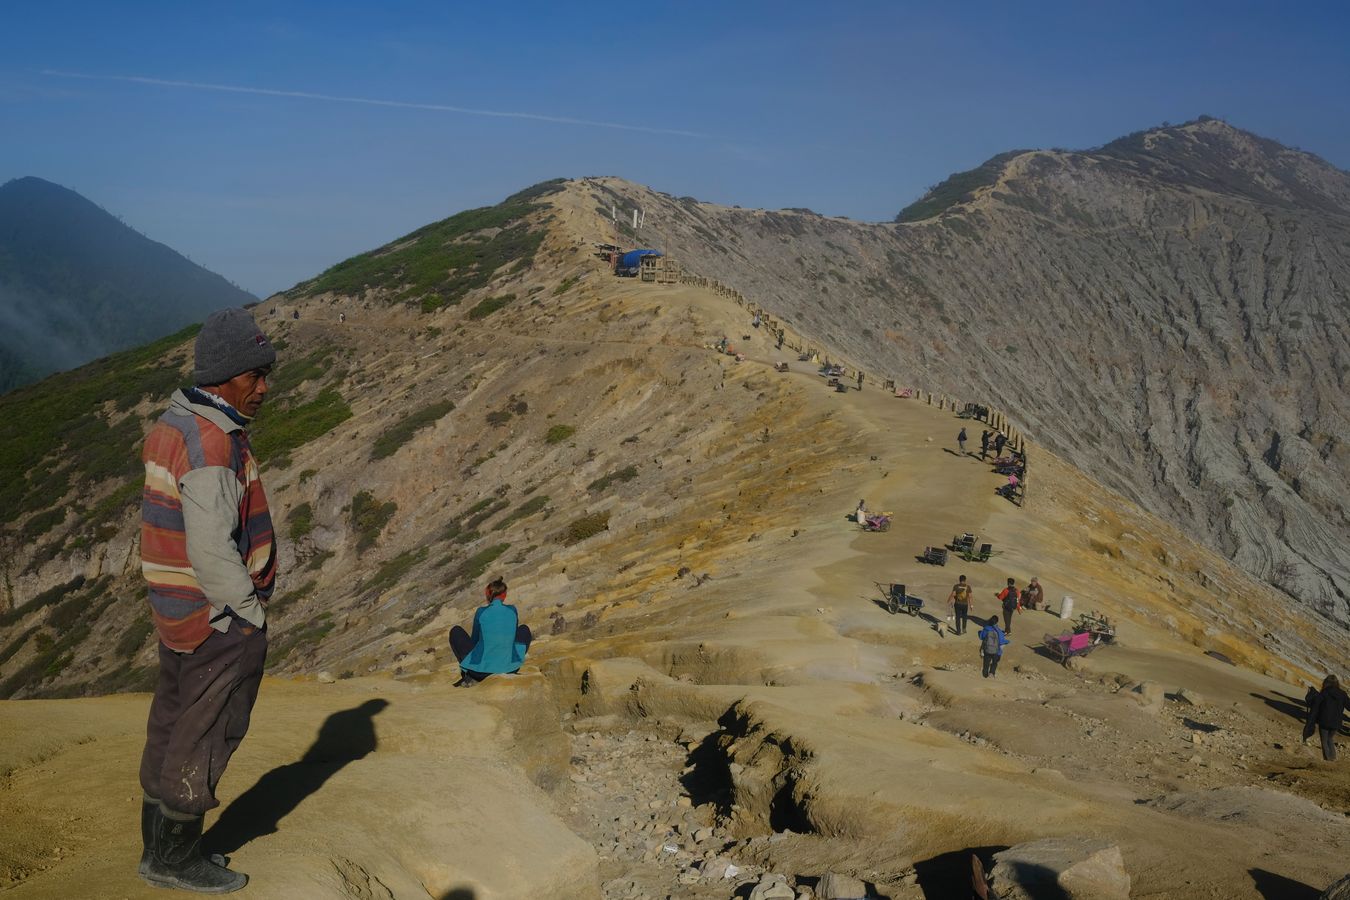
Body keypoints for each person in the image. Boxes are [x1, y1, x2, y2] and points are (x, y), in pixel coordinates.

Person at [138, 307, 279, 892]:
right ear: (223, 377)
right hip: (214, 617)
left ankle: (157, 850)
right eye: (254, 376)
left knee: (172, 723)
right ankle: (175, 861)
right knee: (210, 729)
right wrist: (248, 613)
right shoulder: (213, 441)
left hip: (176, 612)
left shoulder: (173, 422)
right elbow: (211, 547)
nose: (264, 388)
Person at [449, 578, 533, 686]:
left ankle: (467, 675)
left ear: (488, 595)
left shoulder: (481, 612)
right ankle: (508, 662)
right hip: (510, 669)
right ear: (504, 595)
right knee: (524, 629)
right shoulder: (512, 610)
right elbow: (512, 636)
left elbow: (475, 640)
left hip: (480, 673)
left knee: (456, 631)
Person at [1305, 675, 1348, 761]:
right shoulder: (1343, 694)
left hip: (1324, 721)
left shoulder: (1324, 693)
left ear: (1326, 682)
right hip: (1336, 723)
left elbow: (1315, 708)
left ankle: (1328, 760)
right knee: (1330, 738)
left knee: (1325, 740)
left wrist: (1309, 723)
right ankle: (1333, 758)